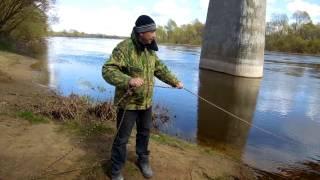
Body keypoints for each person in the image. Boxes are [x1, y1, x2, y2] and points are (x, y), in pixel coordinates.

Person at [102, 15, 183, 180]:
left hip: (146, 104)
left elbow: (160, 69)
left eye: (155, 31)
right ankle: (116, 170)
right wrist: (128, 80)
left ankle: (143, 161)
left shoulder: (150, 49)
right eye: (151, 31)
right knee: (121, 139)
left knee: (144, 134)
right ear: (141, 33)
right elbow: (107, 70)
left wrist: (174, 81)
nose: (154, 35)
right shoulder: (124, 48)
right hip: (128, 105)